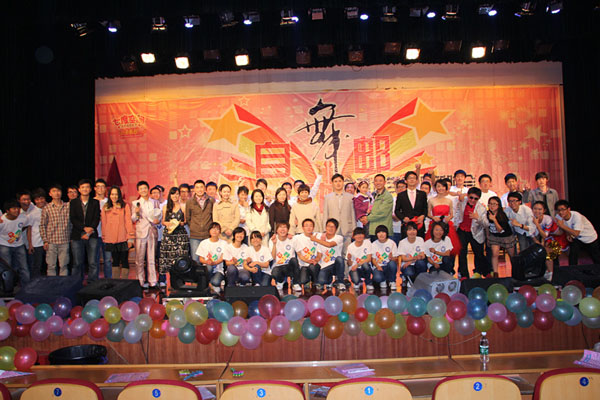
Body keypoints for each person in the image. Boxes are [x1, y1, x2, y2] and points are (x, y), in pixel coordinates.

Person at [131, 180, 161, 289]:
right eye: (141, 189)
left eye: (145, 188)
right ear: (138, 191)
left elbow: (159, 215)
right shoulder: (135, 203)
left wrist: (158, 221)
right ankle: (140, 281)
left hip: (152, 231)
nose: (143, 190)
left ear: (148, 189)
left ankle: (153, 281)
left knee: (151, 258)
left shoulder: (155, 202)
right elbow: (133, 219)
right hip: (141, 232)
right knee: (139, 259)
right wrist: (136, 212)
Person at [70, 179, 101, 282]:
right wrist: (84, 228)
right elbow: (73, 218)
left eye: (87, 187)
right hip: (77, 234)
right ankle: (76, 282)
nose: (85, 189)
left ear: (91, 189)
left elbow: (96, 218)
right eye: (83, 187)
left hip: (92, 235)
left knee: (93, 262)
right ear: (79, 189)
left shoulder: (95, 202)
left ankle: (92, 283)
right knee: (77, 262)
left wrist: (89, 230)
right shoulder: (73, 202)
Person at [101, 186, 135, 280]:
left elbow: (128, 222)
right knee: (115, 261)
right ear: (109, 195)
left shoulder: (124, 206)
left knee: (124, 260)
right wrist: (105, 237)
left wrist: (130, 237)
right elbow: (104, 223)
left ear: (119, 195)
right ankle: (115, 282)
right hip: (111, 238)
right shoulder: (106, 207)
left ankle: (124, 281)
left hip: (123, 238)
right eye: (112, 194)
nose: (114, 196)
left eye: (116, 194)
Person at [455, 187, 490, 278]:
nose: (473, 200)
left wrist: (477, 218)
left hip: (475, 232)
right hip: (462, 231)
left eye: (475, 199)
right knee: (462, 253)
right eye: (471, 197)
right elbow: (457, 213)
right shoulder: (462, 202)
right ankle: (464, 275)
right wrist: (455, 225)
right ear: (467, 196)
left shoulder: (481, 208)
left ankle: (480, 272)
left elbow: (486, 224)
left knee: (478, 253)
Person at [159, 187, 189, 286]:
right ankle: (170, 282)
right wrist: (168, 223)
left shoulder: (183, 206)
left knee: (180, 258)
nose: (175, 196)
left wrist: (180, 223)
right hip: (169, 235)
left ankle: (181, 282)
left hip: (180, 235)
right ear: (170, 195)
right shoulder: (166, 207)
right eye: (173, 194)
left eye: (177, 194)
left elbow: (185, 221)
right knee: (169, 259)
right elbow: (163, 221)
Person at [554, 200, 600, 265]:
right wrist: (567, 234)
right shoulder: (558, 216)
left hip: (589, 238)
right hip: (577, 238)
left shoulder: (576, 216)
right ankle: (572, 270)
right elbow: (565, 227)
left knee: (596, 258)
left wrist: (562, 226)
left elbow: (576, 233)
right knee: (573, 255)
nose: (561, 212)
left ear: (568, 209)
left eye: (563, 209)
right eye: (558, 210)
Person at [40, 184, 70, 276]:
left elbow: (71, 223)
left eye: (58, 191)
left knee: (64, 265)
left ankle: (63, 283)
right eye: (54, 191)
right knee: (51, 266)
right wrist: (45, 240)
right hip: (51, 241)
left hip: (64, 240)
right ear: (50, 194)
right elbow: (42, 225)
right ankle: (51, 283)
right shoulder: (47, 208)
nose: (56, 193)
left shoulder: (68, 206)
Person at [425, 179, 461, 256]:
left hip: (446, 225)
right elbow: (428, 213)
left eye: (443, 186)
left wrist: (449, 218)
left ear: (446, 188)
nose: (441, 188)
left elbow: (451, 214)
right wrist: (433, 217)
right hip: (435, 224)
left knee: (449, 248)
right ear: (435, 188)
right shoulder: (431, 200)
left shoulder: (449, 200)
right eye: (438, 186)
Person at [322, 173, 356, 256]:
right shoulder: (327, 197)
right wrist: (324, 230)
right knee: (333, 253)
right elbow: (325, 214)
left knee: (346, 253)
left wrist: (354, 229)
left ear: (343, 182)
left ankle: (346, 265)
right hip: (332, 230)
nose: (338, 183)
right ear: (332, 183)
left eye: (340, 181)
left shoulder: (350, 197)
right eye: (335, 181)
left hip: (347, 229)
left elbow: (353, 214)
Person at [0, 200, 31, 287]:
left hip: (19, 245)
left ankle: (26, 287)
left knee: (24, 267)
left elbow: (26, 226)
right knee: (7, 268)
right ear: (7, 211)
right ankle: (8, 288)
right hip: (4, 245)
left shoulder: (23, 218)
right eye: (14, 209)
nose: (17, 210)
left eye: (18, 208)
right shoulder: (2, 221)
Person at [484, 196, 515, 277]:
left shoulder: (502, 215)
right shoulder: (487, 214)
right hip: (494, 236)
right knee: (494, 254)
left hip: (506, 237)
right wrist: (488, 237)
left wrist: (494, 220)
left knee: (512, 255)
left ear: (498, 205)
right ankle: (495, 273)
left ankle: (515, 272)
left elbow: (500, 230)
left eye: (494, 204)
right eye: (490, 204)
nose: (492, 206)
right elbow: (486, 226)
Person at [531, 201, 562, 280]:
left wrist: (537, 224)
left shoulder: (548, 219)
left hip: (557, 237)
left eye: (540, 209)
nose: (537, 211)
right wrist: (538, 242)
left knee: (550, 254)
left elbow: (545, 235)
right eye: (535, 209)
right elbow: (532, 234)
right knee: (543, 252)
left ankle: (551, 274)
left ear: (544, 210)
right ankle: (548, 272)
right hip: (546, 238)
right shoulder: (530, 219)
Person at [312, 218, 345, 291]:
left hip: (335, 265)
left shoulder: (339, 238)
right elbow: (319, 255)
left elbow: (330, 244)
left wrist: (316, 240)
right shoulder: (321, 239)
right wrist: (316, 260)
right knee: (321, 281)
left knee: (340, 259)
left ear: (336, 229)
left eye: (332, 227)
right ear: (326, 227)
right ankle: (329, 279)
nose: (330, 228)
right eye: (328, 226)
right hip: (325, 265)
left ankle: (340, 282)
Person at [186, 180, 214, 262]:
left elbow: (213, 217)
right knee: (195, 259)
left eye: (201, 187)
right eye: (197, 187)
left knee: (208, 259)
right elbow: (188, 218)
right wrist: (194, 227)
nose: (199, 189)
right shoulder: (189, 202)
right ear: (194, 189)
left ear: (205, 188)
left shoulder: (211, 201)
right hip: (195, 236)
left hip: (208, 235)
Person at [196, 222, 228, 293]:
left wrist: (214, 262)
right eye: (213, 229)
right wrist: (207, 262)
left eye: (217, 229)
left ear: (220, 231)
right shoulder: (203, 243)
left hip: (218, 270)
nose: (215, 231)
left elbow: (222, 258)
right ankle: (209, 285)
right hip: (207, 269)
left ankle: (210, 284)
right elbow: (201, 259)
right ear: (209, 231)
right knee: (209, 267)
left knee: (216, 282)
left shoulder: (224, 243)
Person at [395, 171, 428, 238]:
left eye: (414, 178)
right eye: (410, 178)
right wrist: (403, 218)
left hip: (419, 225)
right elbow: (397, 210)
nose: (412, 180)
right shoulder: (401, 195)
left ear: (416, 181)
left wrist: (423, 216)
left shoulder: (422, 194)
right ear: (406, 181)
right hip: (406, 226)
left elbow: (425, 208)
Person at [362, 174, 394, 241]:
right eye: (376, 181)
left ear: (384, 182)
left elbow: (381, 213)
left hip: (383, 231)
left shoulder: (387, 196)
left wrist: (367, 218)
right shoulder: (372, 195)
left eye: (380, 181)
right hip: (372, 230)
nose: (378, 183)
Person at [269, 222, 300, 290]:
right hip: (278, 266)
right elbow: (273, 257)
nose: (282, 229)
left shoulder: (292, 239)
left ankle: (295, 283)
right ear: (276, 230)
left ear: (288, 230)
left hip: (289, 266)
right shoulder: (272, 239)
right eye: (280, 227)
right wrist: (274, 244)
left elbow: (303, 237)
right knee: (275, 271)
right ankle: (280, 282)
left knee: (294, 260)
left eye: (285, 227)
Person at [396, 222, 428, 286]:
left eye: (414, 229)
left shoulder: (420, 239)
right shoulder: (402, 242)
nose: (412, 232)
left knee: (421, 263)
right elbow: (403, 258)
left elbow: (422, 256)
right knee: (409, 272)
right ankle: (407, 278)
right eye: (410, 229)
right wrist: (415, 258)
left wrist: (411, 261)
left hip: (415, 263)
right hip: (406, 265)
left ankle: (419, 280)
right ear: (406, 231)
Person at [293, 218, 322, 289]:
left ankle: (315, 281)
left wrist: (316, 260)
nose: (308, 228)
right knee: (303, 281)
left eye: (310, 226)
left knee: (312, 267)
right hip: (304, 265)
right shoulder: (298, 238)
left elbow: (320, 253)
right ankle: (308, 279)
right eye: (306, 226)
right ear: (303, 228)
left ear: (313, 227)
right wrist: (307, 261)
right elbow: (299, 254)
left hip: (315, 264)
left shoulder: (318, 236)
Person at [346, 227, 376, 293]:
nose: (359, 236)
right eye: (357, 234)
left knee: (365, 265)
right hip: (355, 268)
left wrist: (357, 265)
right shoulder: (350, 246)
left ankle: (368, 282)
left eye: (361, 234)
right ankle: (358, 281)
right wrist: (349, 259)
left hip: (364, 267)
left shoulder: (367, 243)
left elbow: (368, 259)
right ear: (353, 236)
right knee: (356, 281)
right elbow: (349, 264)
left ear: (364, 235)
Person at [94, 179, 113, 279]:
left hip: (108, 235)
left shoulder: (109, 202)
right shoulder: (92, 201)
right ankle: (95, 282)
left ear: (105, 189)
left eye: (102, 187)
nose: (100, 189)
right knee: (94, 260)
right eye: (98, 186)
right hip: (94, 234)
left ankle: (108, 280)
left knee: (108, 260)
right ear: (95, 188)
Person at [370, 225, 398, 291]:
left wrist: (392, 258)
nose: (381, 234)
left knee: (392, 264)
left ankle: (392, 281)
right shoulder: (373, 244)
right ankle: (383, 280)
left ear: (386, 233)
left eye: (383, 232)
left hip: (388, 266)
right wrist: (377, 266)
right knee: (377, 278)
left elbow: (396, 259)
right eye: (379, 232)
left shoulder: (392, 243)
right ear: (376, 234)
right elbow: (373, 259)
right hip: (378, 267)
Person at [27, 189, 47, 278]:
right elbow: (29, 229)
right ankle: (35, 282)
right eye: (37, 199)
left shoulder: (49, 208)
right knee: (37, 265)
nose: (40, 201)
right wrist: (30, 244)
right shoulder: (32, 213)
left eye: (42, 198)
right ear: (34, 200)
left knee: (50, 264)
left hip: (49, 241)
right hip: (37, 242)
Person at [391, 179, 406, 245]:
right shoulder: (392, 200)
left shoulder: (410, 200)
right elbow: (389, 213)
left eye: (403, 187)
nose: (401, 189)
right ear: (396, 189)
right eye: (399, 187)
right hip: (395, 229)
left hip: (407, 230)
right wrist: (396, 217)